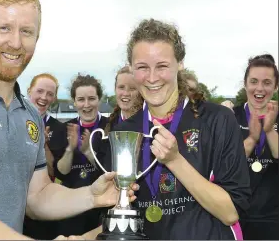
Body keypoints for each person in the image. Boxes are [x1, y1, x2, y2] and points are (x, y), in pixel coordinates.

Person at [0, 0, 138, 240]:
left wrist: (91, 195)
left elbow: (37, 197)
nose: (16, 42)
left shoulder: (29, 114)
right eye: (4, 28)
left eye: (27, 31)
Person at [84, 18, 251, 240]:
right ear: (131, 68)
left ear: (179, 64)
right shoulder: (124, 133)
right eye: (142, 67)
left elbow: (230, 212)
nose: (152, 78)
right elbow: (121, 215)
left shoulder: (217, 120)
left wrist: (174, 160)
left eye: (162, 66)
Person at [222, 54, 278, 240]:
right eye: (254, 81)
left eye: (267, 82)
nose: (259, 88)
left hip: (273, 220)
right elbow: (225, 165)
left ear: (275, 86)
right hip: (234, 217)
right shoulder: (230, 117)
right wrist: (252, 139)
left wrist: (268, 131)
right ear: (245, 84)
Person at [52, 74, 109, 236]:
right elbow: (61, 172)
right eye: (81, 99)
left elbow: (109, 170)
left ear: (99, 99)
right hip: (72, 204)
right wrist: (70, 149)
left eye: (91, 98)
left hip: (101, 204)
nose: (86, 105)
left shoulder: (109, 127)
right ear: (74, 102)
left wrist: (88, 153)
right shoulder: (63, 129)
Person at [23, 73, 65, 240]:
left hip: (42, 203)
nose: (44, 97)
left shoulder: (59, 128)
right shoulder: (12, 120)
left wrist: (43, 144)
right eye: (39, 91)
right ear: (29, 91)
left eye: (50, 94)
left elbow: (55, 171)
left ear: (54, 98)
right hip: (14, 203)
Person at [104, 65, 143, 133]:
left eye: (132, 88)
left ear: (140, 92)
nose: (126, 93)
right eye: (121, 87)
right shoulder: (107, 125)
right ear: (115, 89)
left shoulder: (149, 123)